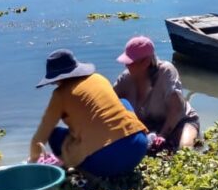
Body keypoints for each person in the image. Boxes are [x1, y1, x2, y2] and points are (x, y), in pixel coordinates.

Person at [29, 48, 149, 177]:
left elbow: (42, 134)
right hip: (138, 148)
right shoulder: (99, 78)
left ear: (56, 79)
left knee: (54, 135)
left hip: (104, 162)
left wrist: (33, 160)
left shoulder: (60, 94)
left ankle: (82, 171)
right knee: (123, 103)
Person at [113, 35, 200, 150]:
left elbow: (177, 109)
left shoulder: (166, 72)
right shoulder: (125, 79)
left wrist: (163, 135)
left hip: (180, 122)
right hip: (149, 126)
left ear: (146, 62)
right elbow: (108, 101)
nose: (126, 65)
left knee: (185, 149)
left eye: (131, 62)